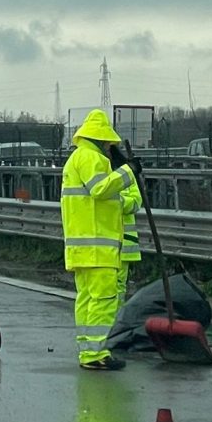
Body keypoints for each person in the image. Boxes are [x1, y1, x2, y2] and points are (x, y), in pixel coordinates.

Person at [60, 108, 139, 371]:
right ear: (101, 139)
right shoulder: (93, 159)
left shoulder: (75, 159)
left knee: (86, 299)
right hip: (98, 246)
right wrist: (128, 172)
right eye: (108, 142)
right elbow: (100, 190)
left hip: (81, 247)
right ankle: (96, 353)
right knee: (104, 300)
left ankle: (87, 350)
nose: (110, 147)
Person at [114, 152, 143, 306]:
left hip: (125, 244)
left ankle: (116, 317)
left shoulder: (127, 178)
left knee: (119, 285)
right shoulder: (98, 176)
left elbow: (136, 202)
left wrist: (116, 203)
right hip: (105, 243)